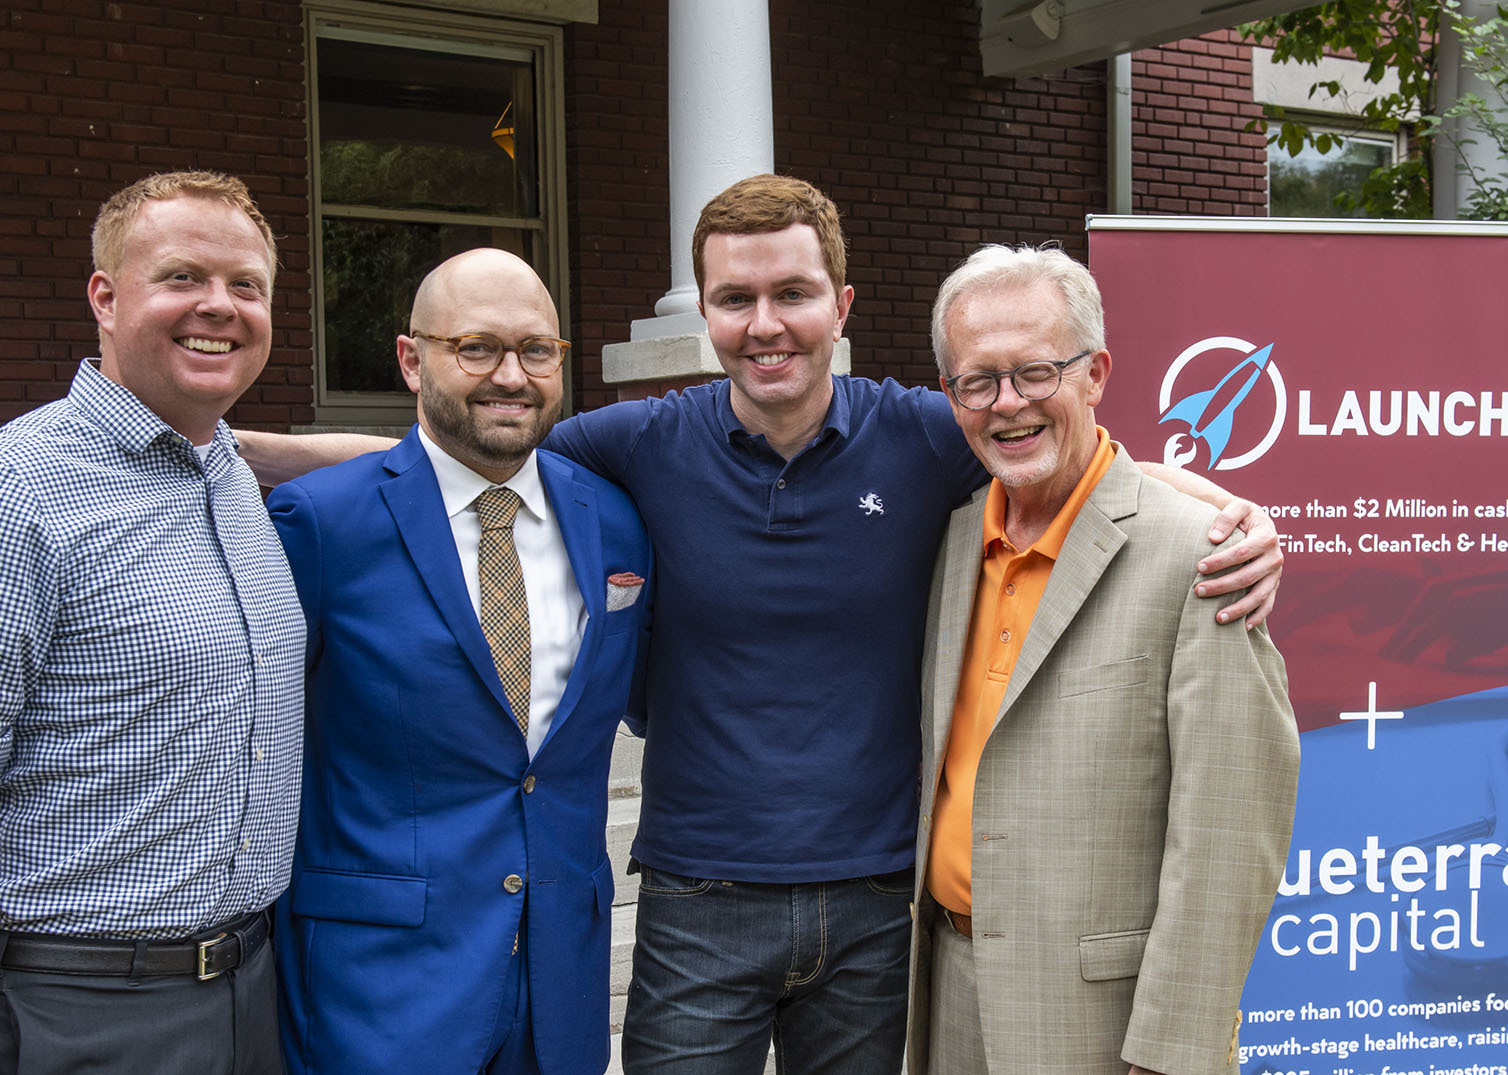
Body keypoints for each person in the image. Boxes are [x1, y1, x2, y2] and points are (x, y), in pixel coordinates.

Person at [237, 174, 1283, 1075]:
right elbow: (458, 456)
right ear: (706, 311)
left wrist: (1225, 510)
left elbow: (1071, 452)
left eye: (792, 293)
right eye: (735, 298)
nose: (765, 323)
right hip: (698, 899)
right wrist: (234, 446)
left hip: (877, 906)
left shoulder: (928, 433)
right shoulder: (640, 444)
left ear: (841, 304)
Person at [908, 244, 1299, 1075]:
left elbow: (1232, 834)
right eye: (979, 381)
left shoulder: (1200, 553)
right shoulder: (951, 540)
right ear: (950, 395)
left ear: (1095, 374)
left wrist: (1172, 1052)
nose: (1008, 403)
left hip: (1103, 1024)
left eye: (1037, 372)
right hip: (948, 995)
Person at [267, 248, 653, 1075]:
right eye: (476, 347)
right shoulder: (322, 522)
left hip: (561, 983)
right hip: (379, 990)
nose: (511, 376)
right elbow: (255, 744)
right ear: (412, 360)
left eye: (536, 350)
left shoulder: (616, 519)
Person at [0, 171, 302, 1073]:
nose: (220, 306)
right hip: (77, 1007)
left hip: (254, 990)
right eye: (182, 277)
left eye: (246, 285)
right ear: (105, 297)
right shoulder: (20, 491)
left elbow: (398, 460)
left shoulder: (229, 468)